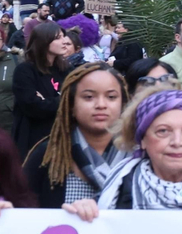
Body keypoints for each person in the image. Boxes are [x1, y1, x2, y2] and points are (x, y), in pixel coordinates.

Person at [23, 64, 133, 208]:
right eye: (88, 97)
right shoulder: (48, 156)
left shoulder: (138, 155)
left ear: (122, 104)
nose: (101, 105)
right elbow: (19, 209)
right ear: (71, 105)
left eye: (111, 97)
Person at [12, 22, 74, 159]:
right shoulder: (25, 71)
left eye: (64, 36)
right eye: (58, 38)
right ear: (44, 42)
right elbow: (34, 107)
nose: (65, 41)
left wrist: (47, 101)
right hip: (33, 141)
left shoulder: (66, 69)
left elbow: (75, 101)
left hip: (61, 138)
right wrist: (62, 100)